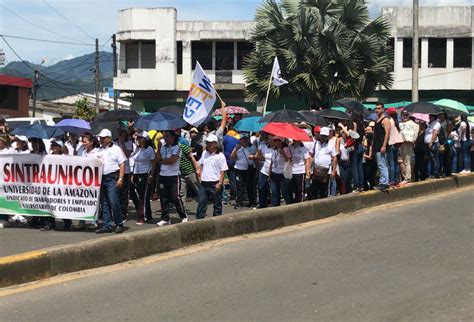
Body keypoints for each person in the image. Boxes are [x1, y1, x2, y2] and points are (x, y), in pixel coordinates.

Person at [95, 129, 126, 234]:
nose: (101, 140)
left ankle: (119, 223)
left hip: (112, 177)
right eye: (100, 138)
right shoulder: (98, 150)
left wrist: (120, 178)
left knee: (113, 201)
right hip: (101, 178)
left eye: (103, 138)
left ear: (109, 138)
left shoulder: (116, 149)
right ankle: (106, 224)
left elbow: (122, 163)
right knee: (104, 203)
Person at [156, 130, 188, 226]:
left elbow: (172, 160)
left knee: (175, 197)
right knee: (163, 197)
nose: (165, 138)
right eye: (164, 136)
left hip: (173, 175)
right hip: (163, 175)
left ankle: (183, 215)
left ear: (173, 137)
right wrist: (158, 148)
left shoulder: (177, 147)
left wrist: (162, 161)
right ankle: (165, 218)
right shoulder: (163, 147)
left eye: (167, 136)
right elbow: (157, 159)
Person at [196, 134, 228, 219]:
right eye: (207, 143)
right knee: (201, 202)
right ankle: (199, 221)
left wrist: (220, 183)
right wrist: (199, 175)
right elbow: (201, 165)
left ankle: (217, 221)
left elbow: (223, 171)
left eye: (210, 143)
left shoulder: (220, 156)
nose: (209, 145)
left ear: (215, 144)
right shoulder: (204, 153)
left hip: (215, 183)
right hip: (204, 183)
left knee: (217, 204)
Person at [129, 131, 156, 225]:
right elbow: (135, 162)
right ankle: (148, 215)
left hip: (145, 174)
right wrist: (133, 174)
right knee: (141, 196)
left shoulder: (149, 149)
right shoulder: (137, 149)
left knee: (143, 197)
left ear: (145, 139)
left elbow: (153, 163)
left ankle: (142, 216)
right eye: (138, 138)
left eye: (140, 138)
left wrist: (151, 175)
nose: (138, 140)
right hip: (137, 173)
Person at [230, 132, 257, 209]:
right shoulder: (237, 147)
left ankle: (252, 202)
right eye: (243, 139)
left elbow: (257, 158)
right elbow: (232, 157)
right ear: (240, 140)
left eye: (246, 139)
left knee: (250, 187)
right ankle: (239, 202)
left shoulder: (252, 147)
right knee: (239, 186)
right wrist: (235, 150)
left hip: (249, 169)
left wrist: (254, 157)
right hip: (239, 169)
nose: (244, 141)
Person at [310, 127, 337, 199]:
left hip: (326, 172)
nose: (323, 138)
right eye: (322, 136)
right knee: (314, 190)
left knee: (324, 191)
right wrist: (309, 169)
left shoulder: (331, 145)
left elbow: (334, 158)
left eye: (325, 136)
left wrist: (333, 171)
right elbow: (311, 155)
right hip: (315, 170)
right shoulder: (315, 143)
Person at [372, 103, 391, 191]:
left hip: (381, 145)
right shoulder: (377, 120)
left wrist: (384, 145)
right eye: (376, 108)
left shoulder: (385, 120)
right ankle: (382, 182)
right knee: (380, 165)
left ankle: (384, 183)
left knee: (382, 164)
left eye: (379, 108)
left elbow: (387, 133)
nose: (377, 110)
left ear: (383, 109)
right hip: (376, 145)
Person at [269, 136, 292, 206]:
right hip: (274, 173)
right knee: (274, 192)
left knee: (285, 192)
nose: (274, 142)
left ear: (280, 142)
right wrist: (269, 172)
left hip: (282, 174)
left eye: (276, 141)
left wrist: (283, 154)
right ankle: (275, 207)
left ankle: (290, 206)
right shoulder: (274, 150)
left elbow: (289, 160)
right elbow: (272, 162)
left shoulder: (286, 149)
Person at [178, 139, 201, 208]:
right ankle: (183, 212)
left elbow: (192, 157)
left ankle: (202, 208)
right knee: (181, 193)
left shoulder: (183, 147)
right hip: (181, 173)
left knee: (198, 190)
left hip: (190, 172)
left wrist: (197, 168)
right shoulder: (171, 149)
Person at [399, 110, 419, 184]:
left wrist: (412, 140)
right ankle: (406, 177)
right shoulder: (400, 124)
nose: (405, 116)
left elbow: (415, 134)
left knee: (407, 162)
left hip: (408, 144)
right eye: (403, 115)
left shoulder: (413, 124)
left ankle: (408, 178)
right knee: (403, 162)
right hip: (401, 144)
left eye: (406, 115)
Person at [255, 133, 273, 208]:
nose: (269, 141)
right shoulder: (262, 146)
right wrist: (263, 157)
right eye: (268, 139)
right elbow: (257, 156)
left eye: (270, 139)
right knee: (261, 187)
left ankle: (273, 203)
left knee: (272, 189)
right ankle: (262, 204)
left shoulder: (276, 148)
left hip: (273, 170)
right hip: (264, 169)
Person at [425, 114, 441, 178]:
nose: (429, 117)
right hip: (428, 143)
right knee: (430, 159)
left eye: (430, 116)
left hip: (433, 143)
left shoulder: (436, 123)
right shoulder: (430, 123)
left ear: (434, 117)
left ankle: (435, 173)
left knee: (435, 159)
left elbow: (435, 133)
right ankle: (430, 173)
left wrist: (431, 142)